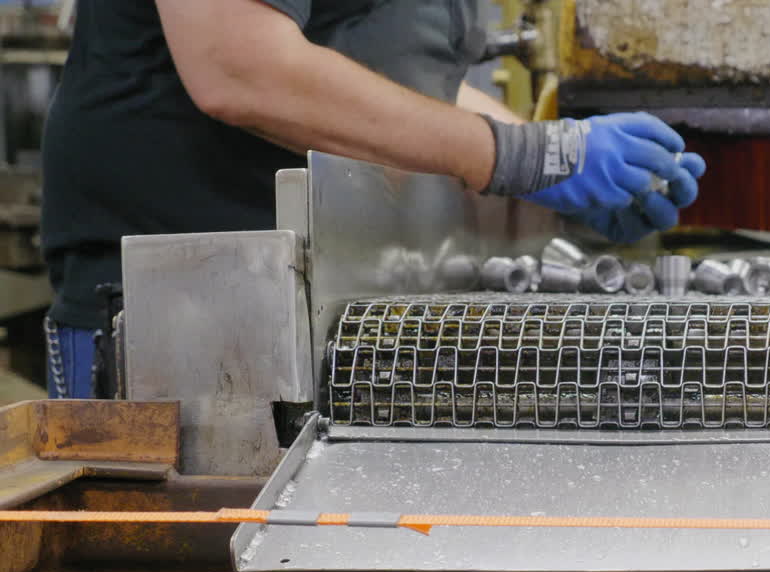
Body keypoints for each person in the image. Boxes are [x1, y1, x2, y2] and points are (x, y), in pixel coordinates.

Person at [40, 0, 705, 398]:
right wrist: (517, 156)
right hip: (188, 325)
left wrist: (547, 160)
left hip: (337, 310)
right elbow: (234, 65)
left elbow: (397, 87)